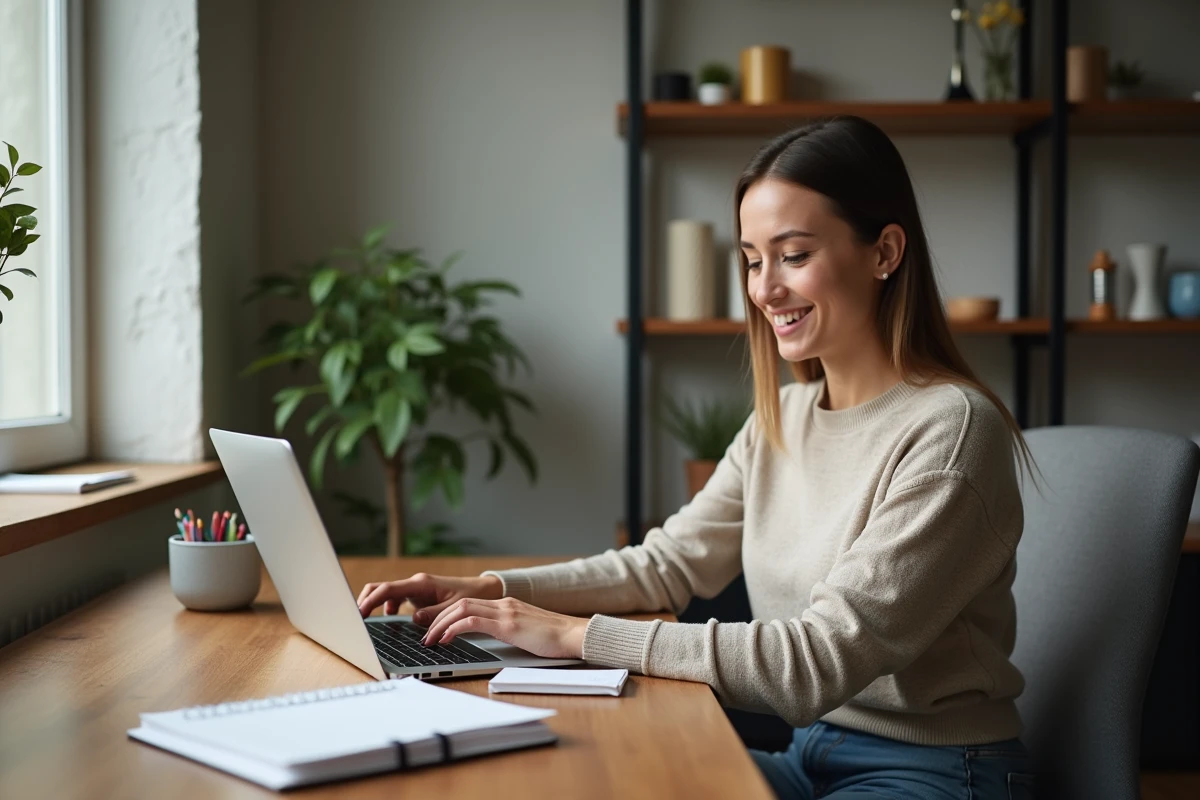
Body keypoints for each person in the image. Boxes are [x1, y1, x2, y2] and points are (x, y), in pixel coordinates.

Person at [357, 116, 1038, 799]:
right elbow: (664, 566)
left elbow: (816, 661)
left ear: (885, 251)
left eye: (793, 255)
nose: (765, 288)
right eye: (752, 259)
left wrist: (574, 637)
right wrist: (496, 592)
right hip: (812, 750)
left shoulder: (951, 432)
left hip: (940, 771)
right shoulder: (787, 417)